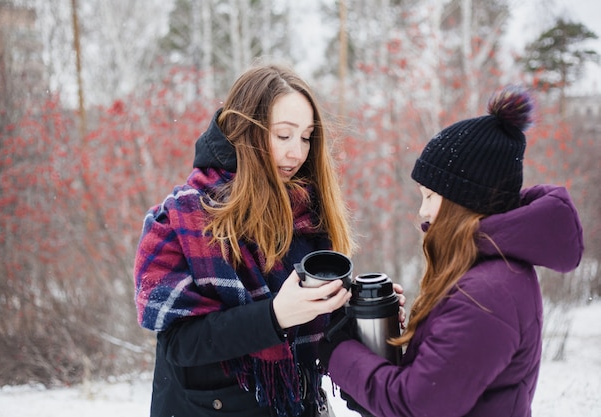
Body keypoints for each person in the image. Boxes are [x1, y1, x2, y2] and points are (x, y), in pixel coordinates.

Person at [318, 86, 584, 417]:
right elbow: (437, 382)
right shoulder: (488, 272)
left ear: (464, 201)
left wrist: (339, 353)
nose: (422, 212)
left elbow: (419, 405)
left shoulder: (487, 295)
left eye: (429, 196)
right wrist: (377, 342)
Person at [133, 63, 358, 417]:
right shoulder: (182, 218)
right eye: (283, 135)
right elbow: (180, 343)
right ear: (245, 132)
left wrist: (362, 310)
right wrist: (273, 316)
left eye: (306, 136)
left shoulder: (307, 210)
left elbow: (317, 327)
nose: (297, 153)